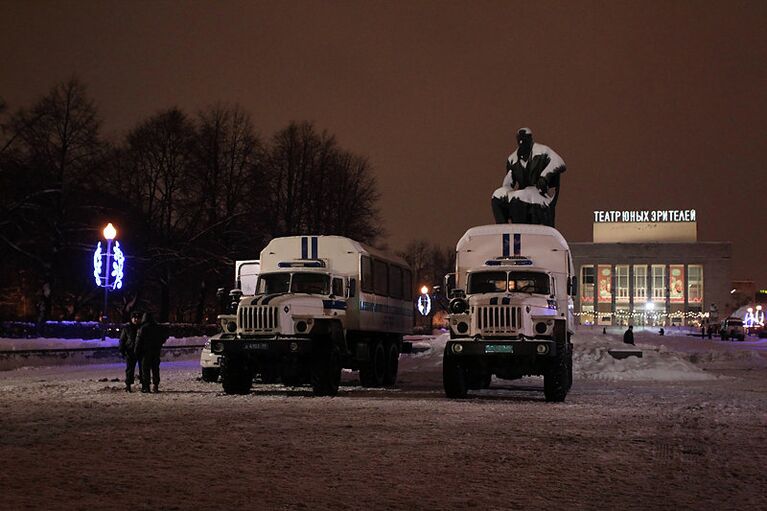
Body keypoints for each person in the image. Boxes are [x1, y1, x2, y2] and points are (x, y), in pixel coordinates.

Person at [491, 127, 567, 227]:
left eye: (525, 139)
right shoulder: (512, 159)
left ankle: (521, 232)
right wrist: (505, 190)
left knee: (517, 198)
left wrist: (544, 176)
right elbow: (509, 181)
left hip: (539, 193)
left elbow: (559, 162)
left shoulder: (542, 152)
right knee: (497, 197)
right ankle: (504, 231)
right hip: (523, 192)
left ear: (530, 139)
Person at [135, 312, 168, 393]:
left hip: (145, 352)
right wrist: (158, 344)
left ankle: (147, 387)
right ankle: (155, 385)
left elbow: (138, 341)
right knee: (155, 369)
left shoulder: (143, 328)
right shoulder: (158, 327)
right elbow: (164, 338)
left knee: (145, 369)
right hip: (156, 351)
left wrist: (136, 351)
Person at [118, 311, 142, 392]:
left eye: (137, 318)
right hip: (130, 351)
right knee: (129, 369)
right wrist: (122, 350)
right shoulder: (127, 328)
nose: (136, 319)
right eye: (134, 318)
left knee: (143, 369)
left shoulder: (142, 327)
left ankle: (144, 385)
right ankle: (128, 385)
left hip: (141, 351)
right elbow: (122, 339)